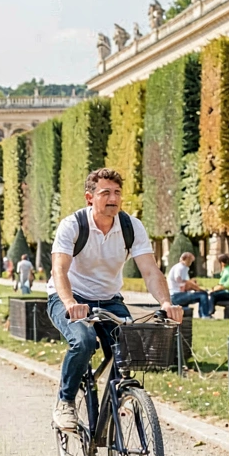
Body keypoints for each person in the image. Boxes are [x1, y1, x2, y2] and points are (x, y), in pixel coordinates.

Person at [46, 168, 183, 431]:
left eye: (117, 192)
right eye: (105, 193)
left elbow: (150, 270)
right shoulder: (73, 225)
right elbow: (59, 269)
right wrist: (70, 302)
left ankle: (119, 395)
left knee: (129, 344)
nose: (113, 198)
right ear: (89, 197)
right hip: (69, 297)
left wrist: (166, 303)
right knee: (83, 342)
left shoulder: (131, 227)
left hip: (108, 298)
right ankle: (65, 402)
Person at [167, 251, 212, 318]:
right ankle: (205, 315)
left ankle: (203, 315)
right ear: (186, 259)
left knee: (200, 294)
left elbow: (185, 283)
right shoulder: (182, 267)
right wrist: (199, 289)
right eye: (190, 261)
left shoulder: (179, 267)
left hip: (174, 296)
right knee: (203, 295)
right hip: (177, 296)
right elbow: (182, 281)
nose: (191, 263)